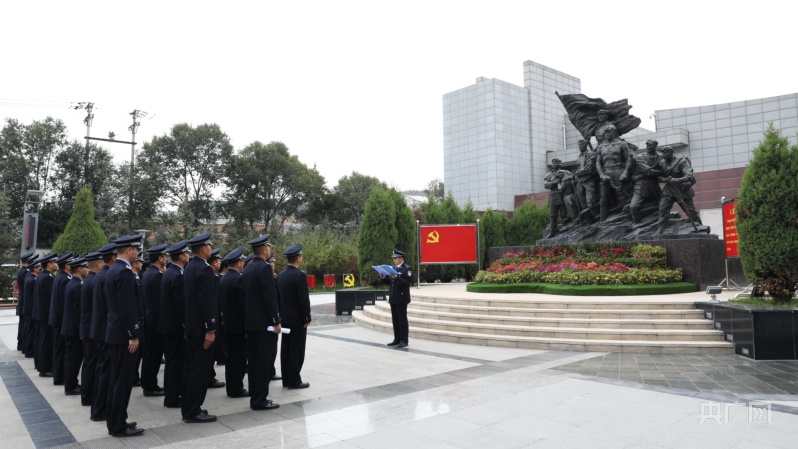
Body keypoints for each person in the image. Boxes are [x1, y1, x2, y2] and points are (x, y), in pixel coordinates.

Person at [105, 235, 146, 437]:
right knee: (122, 381)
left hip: (116, 332)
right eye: (136, 249)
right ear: (129, 250)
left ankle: (116, 420)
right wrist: (133, 335)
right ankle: (118, 425)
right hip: (123, 336)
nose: (138, 253)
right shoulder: (124, 273)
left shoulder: (114, 270)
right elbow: (127, 307)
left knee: (117, 379)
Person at [181, 232, 220, 423]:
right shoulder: (204, 270)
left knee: (192, 368)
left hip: (193, 327)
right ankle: (192, 411)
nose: (211, 250)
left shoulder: (189, 267)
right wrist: (210, 329)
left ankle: (190, 407)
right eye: (210, 247)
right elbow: (206, 302)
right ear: (204, 249)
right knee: (199, 370)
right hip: (201, 329)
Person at [243, 234, 281, 411]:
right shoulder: (264, 269)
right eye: (269, 247)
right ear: (264, 249)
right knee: (264, 363)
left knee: (254, 362)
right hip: (265, 325)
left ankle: (255, 395)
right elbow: (269, 298)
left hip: (251, 324)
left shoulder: (248, 267)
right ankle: (260, 400)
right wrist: (276, 321)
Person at [158, 240, 190, 409]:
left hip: (167, 326)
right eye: (187, 253)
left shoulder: (169, 272)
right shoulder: (178, 275)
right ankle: (173, 397)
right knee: (177, 363)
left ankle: (170, 395)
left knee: (171, 362)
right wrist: (186, 326)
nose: (189, 256)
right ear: (182, 256)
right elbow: (180, 304)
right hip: (176, 327)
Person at [276, 244, 311, 389]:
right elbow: (303, 299)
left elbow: (278, 298)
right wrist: (306, 317)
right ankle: (294, 380)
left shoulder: (281, 275)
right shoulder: (299, 275)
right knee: (297, 349)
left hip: (285, 318)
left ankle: (286, 379)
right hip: (297, 319)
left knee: (286, 348)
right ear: (298, 258)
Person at [90, 243, 117, 422]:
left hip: (99, 330)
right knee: (106, 372)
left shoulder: (100, 275)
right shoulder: (107, 276)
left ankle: (98, 409)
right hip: (106, 331)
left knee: (102, 370)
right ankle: (100, 410)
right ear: (114, 258)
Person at [219, 247, 248, 398]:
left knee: (230, 358)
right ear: (238, 263)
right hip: (238, 327)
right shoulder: (238, 279)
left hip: (227, 325)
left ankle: (231, 387)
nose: (243, 264)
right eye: (242, 261)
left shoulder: (224, 278)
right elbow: (243, 305)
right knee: (239, 359)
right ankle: (236, 388)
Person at [140, 244, 167, 397]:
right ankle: (151, 386)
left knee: (149, 353)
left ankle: (148, 383)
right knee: (154, 354)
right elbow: (159, 302)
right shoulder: (156, 275)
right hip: (155, 320)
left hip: (149, 318)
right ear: (160, 258)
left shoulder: (148, 273)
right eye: (164, 256)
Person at [595, 125, 634, 221]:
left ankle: (630, 219)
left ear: (614, 133)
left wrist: (625, 173)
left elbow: (628, 159)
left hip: (618, 171)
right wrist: (601, 175)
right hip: (606, 172)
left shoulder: (622, 144)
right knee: (603, 198)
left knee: (623, 197)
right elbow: (598, 163)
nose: (608, 134)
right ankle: (602, 221)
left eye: (610, 132)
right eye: (606, 132)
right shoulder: (601, 147)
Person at [657, 146, 702, 228]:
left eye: (666, 152)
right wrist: (665, 179)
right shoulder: (662, 163)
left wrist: (677, 180)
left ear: (671, 152)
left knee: (690, 211)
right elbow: (658, 177)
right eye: (663, 153)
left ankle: (699, 226)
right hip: (669, 189)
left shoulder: (682, 161)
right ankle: (661, 228)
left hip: (682, 189)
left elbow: (689, 175)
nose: (664, 154)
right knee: (662, 209)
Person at [79, 251, 103, 406]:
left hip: (87, 327)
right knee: (92, 362)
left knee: (89, 362)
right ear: (98, 264)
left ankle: (87, 394)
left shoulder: (88, 279)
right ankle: (88, 395)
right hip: (91, 328)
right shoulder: (93, 281)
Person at [62, 257, 87, 395]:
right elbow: (79, 312)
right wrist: (81, 331)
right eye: (85, 267)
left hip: (70, 327)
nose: (87, 269)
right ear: (79, 269)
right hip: (74, 329)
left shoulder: (72, 283)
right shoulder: (77, 286)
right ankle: (71, 386)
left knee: (71, 358)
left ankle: (70, 384)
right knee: (74, 359)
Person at [49, 252, 74, 386]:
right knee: (61, 349)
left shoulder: (61, 277)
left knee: (59, 349)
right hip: (60, 320)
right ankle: (60, 377)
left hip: (58, 319)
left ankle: (59, 375)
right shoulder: (64, 279)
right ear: (67, 265)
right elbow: (64, 303)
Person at [33, 253, 59, 377]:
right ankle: (45, 368)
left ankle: (42, 365)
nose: (56, 264)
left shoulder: (42, 276)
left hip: (42, 314)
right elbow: (50, 300)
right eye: (55, 262)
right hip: (46, 315)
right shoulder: (47, 278)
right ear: (49, 264)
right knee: (46, 341)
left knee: (43, 339)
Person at [380, 250, 412, 348]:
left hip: (402, 298)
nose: (394, 260)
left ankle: (404, 340)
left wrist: (396, 278)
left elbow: (407, 283)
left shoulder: (406, 269)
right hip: (393, 297)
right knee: (395, 320)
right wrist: (383, 278)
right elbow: (390, 283)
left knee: (402, 320)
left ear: (400, 258)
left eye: (395, 258)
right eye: (393, 258)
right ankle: (396, 339)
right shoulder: (392, 268)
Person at [629, 139, 662, 223]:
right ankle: (637, 224)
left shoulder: (661, 156)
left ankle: (661, 222)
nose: (647, 147)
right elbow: (648, 170)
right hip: (641, 185)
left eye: (650, 145)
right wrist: (658, 172)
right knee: (633, 207)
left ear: (655, 146)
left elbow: (665, 168)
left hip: (654, 186)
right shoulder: (641, 157)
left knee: (663, 204)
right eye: (647, 145)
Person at [207, 248, 226, 388]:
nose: (220, 262)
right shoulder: (211, 277)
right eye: (219, 260)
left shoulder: (214, 277)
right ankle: (209, 377)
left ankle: (210, 376)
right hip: (211, 321)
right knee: (209, 353)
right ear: (214, 263)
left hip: (214, 319)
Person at [543, 158, 573, 237]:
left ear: (560, 163)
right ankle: (552, 232)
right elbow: (546, 185)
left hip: (562, 195)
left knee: (564, 214)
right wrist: (555, 181)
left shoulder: (565, 172)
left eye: (555, 162)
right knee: (553, 215)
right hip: (553, 195)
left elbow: (572, 177)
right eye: (552, 162)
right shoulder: (548, 175)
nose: (553, 164)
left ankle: (567, 229)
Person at [574, 139, 600, 223]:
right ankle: (590, 222)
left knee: (591, 203)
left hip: (589, 180)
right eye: (579, 145)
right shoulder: (579, 157)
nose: (580, 147)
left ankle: (598, 219)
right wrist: (575, 176)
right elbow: (578, 168)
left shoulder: (591, 154)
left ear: (586, 145)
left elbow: (589, 169)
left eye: (582, 145)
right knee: (583, 205)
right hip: (580, 182)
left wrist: (578, 173)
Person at [22, 254, 40, 359]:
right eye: (39, 267)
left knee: (28, 329)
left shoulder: (30, 277)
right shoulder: (32, 279)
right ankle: (29, 351)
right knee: (30, 330)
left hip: (28, 308)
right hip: (30, 308)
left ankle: (27, 349)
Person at [16, 252, 35, 352]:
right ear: (28, 261)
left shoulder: (22, 271)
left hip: (22, 299)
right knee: (25, 323)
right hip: (25, 300)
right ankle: (23, 344)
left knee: (23, 323)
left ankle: (22, 343)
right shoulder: (25, 272)